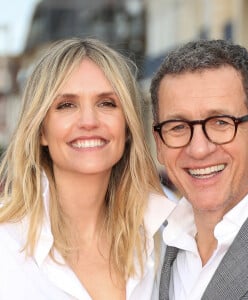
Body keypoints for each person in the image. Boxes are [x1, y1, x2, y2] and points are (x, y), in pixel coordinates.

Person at [0, 37, 175, 299]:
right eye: (66, 105)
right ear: (41, 131)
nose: (89, 121)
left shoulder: (166, 235)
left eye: (106, 103)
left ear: (127, 127)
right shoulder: (6, 245)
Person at [150, 39, 248, 299]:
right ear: (159, 145)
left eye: (221, 122)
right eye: (178, 127)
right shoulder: (154, 248)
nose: (198, 149)